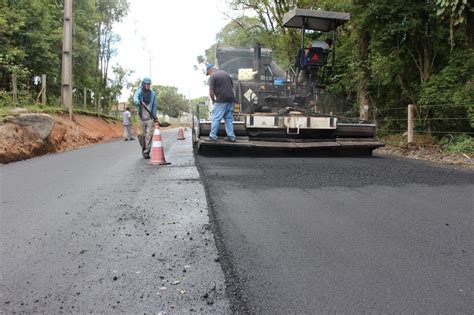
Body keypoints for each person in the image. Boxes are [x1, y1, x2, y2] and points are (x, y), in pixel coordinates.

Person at [206, 64, 236, 143]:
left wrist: (213, 100)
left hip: (221, 100)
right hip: (231, 99)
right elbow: (232, 86)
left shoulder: (213, 76)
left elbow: (211, 91)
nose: (209, 75)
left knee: (216, 118)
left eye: (208, 73)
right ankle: (231, 137)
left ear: (210, 71)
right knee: (228, 119)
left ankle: (212, 137)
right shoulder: (226, 74)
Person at [133, 77, 157, 159]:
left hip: (150, 118)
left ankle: (147, 152)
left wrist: (154, 116)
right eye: (146, 84)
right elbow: (135, 98)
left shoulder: (153, 94)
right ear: (143, 84)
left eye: (149, 84)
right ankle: (143, 149)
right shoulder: (139, 91)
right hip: (141, 118)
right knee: (140, 135)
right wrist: (139, 102)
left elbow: (154, 106)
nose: (147, 86)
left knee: (149, 135)